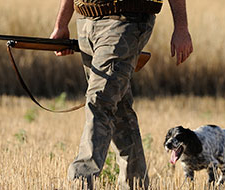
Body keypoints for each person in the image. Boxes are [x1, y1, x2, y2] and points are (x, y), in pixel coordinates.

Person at [50, 0, 193, 189]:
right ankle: (136, 184)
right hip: (86, 22)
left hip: (125, 22)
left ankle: (81, 181)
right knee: (120, 112)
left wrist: (181, 28)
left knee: (99, 102)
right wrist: (61, 24)